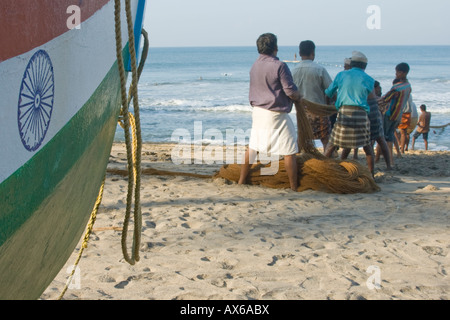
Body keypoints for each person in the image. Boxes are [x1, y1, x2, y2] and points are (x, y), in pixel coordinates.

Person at [239, 33, 302, 191]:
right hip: (275, 114)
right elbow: (289, 90)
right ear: (275, 47)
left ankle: (241, 181)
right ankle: (294, 187)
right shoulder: (279, 65)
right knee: (289, 149)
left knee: (253, 146)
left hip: (258, 111)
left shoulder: (255, 65)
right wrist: (299, 96)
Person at [324, 51, 376, 176]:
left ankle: (323, 169)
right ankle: (371, 174)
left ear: (351, 64)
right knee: (367, 146)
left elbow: (329, 92)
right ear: (364, 66)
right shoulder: (369, 79)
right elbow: (371, 97)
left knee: (332, 143)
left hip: (344, 112)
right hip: (361, 114)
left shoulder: (341, 75)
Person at [292, 40, 333, 152]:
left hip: (302, 112)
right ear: (313, 53)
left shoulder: (293, 70)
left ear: (300, 53)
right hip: (319, 110)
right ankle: (326, 161)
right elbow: (331, 90)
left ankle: (300, 160)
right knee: (325, 139)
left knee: (303, 137)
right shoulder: (320, 69)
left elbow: (290, 91)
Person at [378, 63, 412, 164]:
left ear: (404, 73)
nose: (396, 74)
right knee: (390, 137)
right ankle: (389, 160)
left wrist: (374, 100)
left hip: (390, 114)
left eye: (398, 72)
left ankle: (389, 161)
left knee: (384, 137)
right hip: (399, 115)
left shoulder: (397, 87)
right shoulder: (408, 86)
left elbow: (385, 99)